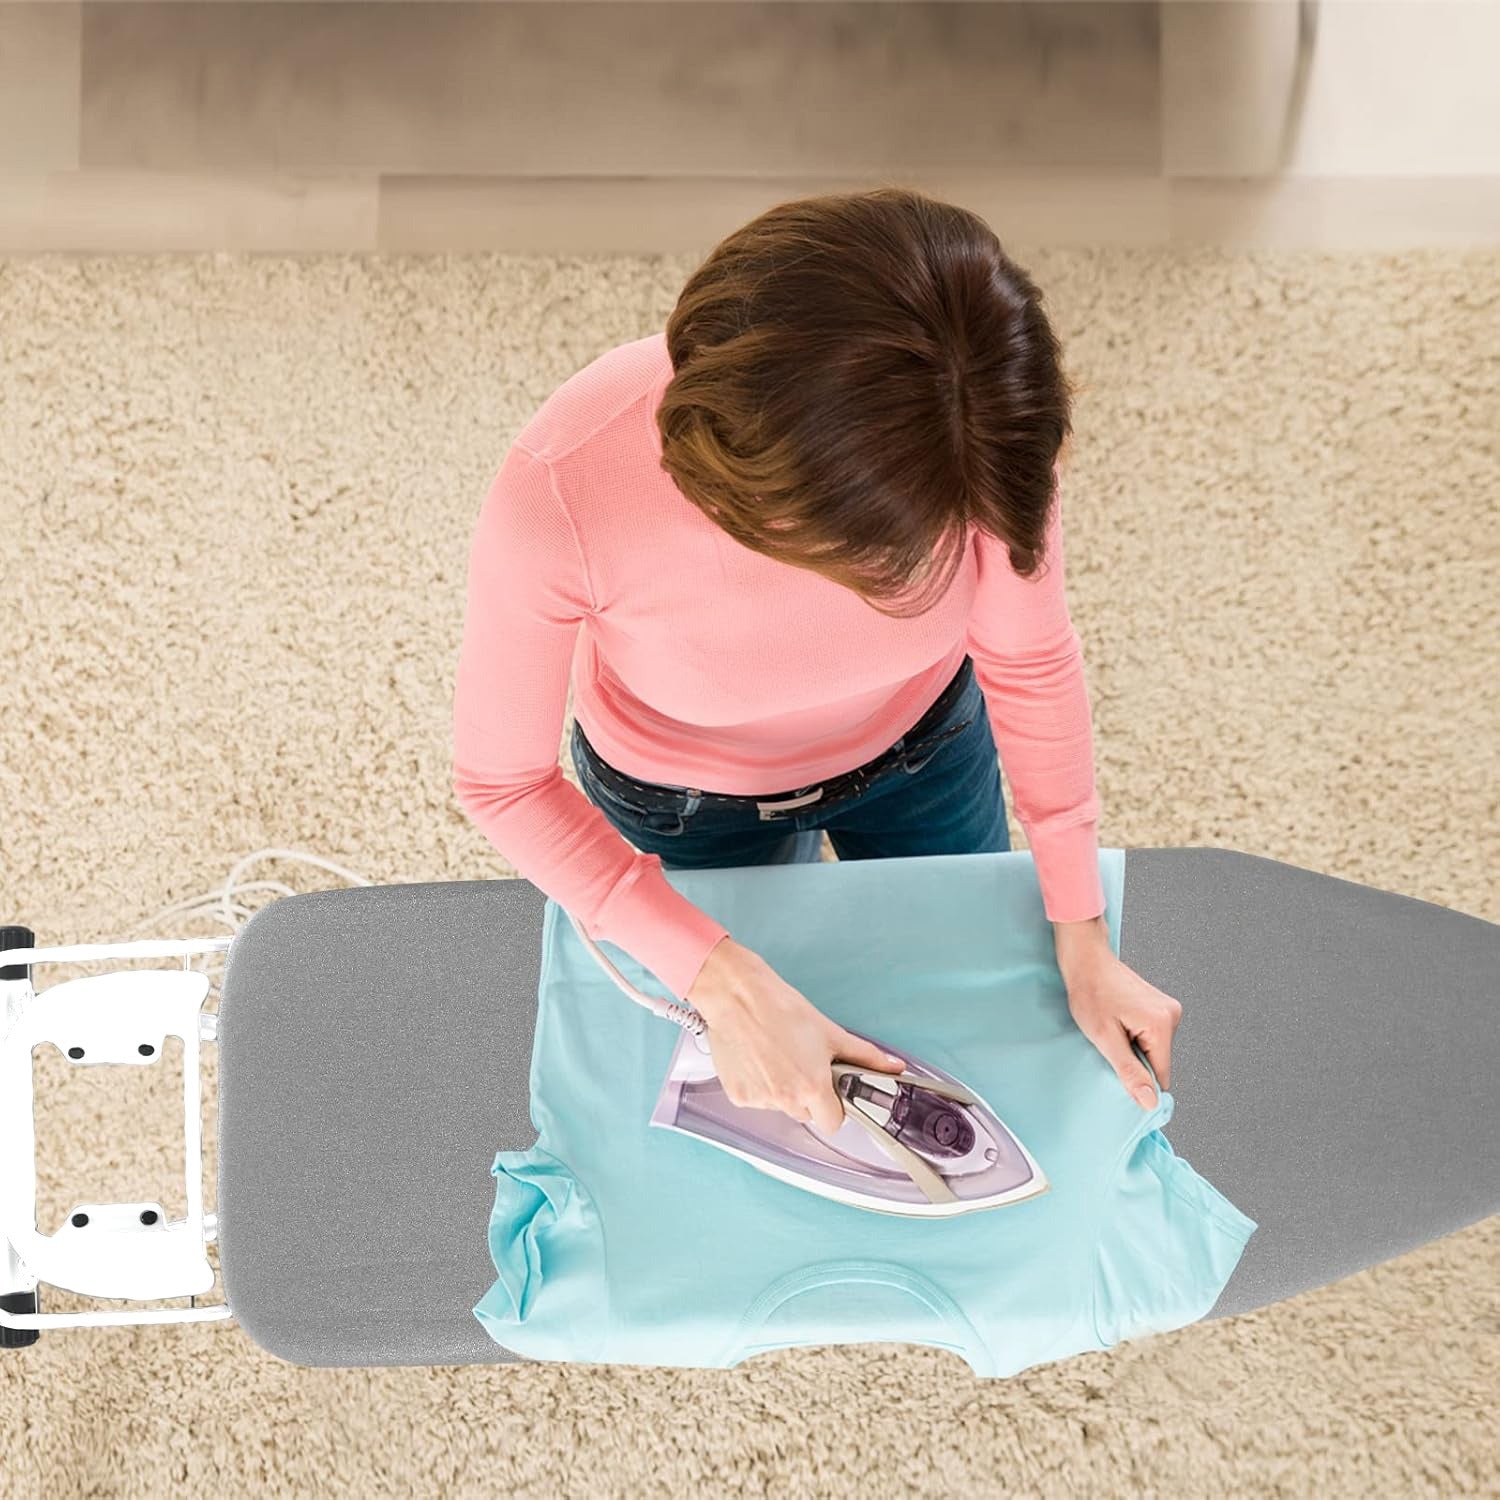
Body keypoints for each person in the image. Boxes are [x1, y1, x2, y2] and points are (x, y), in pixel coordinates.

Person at [453, 187, 1181, 1141]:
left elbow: (1030, 658)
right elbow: (501, 783)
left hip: (928, 752)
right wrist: (720, 974)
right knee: (756, 1070)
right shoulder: (563, 485)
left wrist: (1080, 932)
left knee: (968, 1014)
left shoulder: (979, 437)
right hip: (684, 801)